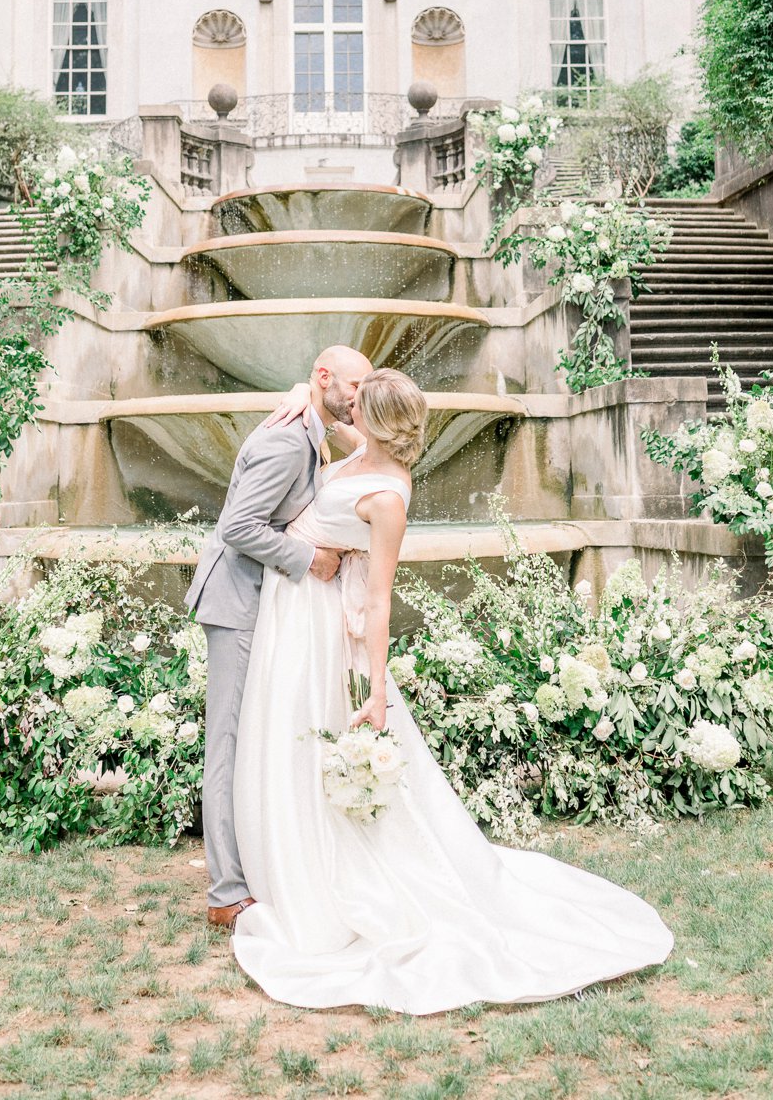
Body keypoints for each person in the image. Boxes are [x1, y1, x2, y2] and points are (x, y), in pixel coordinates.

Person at [228, 365, 675, 1014]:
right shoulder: (360, 451)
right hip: (297, 608)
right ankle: (286, 862)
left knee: (319, 736)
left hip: (328, 626)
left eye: (359, 400)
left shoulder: (387, 497)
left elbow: (380, 599)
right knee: (287, 734)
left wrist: (376, 689)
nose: (348, 402)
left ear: (376, 421)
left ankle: (330, 884)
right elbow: (324, 424)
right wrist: (301, 392)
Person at [184, 343, 372, 928]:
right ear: (324, 376)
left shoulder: (309, 428)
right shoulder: (287, 438)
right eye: (353, 387)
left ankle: (254, 870)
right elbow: (237, 526)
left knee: (251, 739)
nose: (358, 399)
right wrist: (309, 557)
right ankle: (226, 893)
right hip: (237, 602)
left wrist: (304, 395)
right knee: (229, 742)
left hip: (263, 605)